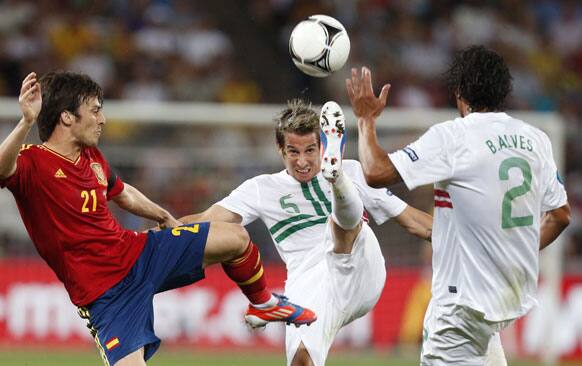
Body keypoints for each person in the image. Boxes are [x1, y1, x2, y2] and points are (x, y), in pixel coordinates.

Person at [0, 71, 316, 366]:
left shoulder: (92, 157)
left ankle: (262, 302)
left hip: (138, 253)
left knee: (235, 237)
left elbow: (122, 192)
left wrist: (162, 214)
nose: (103, 119)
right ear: (67, 117)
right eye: (95, 110)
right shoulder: (32, 161)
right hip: (105, 294)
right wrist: (26, 121)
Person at [347, 45, 571, 365]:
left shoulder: (454, 137)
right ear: (502, 92)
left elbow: (375, 171)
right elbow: (561, 215)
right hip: (502, 300)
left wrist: (366, 119)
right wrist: (508, 252)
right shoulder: (535, 138)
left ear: (458, 94)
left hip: (459, 311)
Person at [181, 99, 433, 366]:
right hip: (307, 284)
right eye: (293, 152)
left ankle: (336, 182)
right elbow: (204, 221)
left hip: (359, 268)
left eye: (311, 150)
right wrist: (152, 237)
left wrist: (470, 240)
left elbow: (415, 222)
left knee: (339, 225)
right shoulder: (261, 188)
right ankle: (338, 189)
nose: (302, 161)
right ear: (280, 149)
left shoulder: (354, 171)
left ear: (323, 146)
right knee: (302, 360)